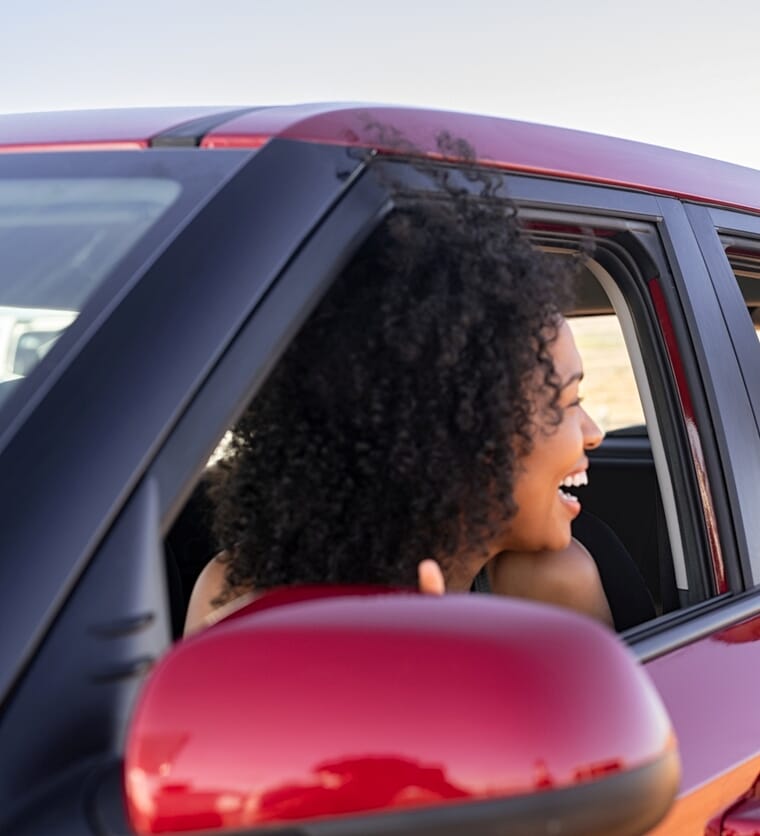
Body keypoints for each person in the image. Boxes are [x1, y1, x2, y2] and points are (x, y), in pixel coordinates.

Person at [184, 174, 614, 635]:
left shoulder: (552, 587)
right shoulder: (235, 596)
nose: (594, 432)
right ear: (464, 435)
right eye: (570, 401)